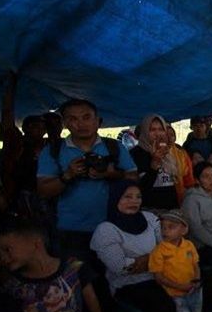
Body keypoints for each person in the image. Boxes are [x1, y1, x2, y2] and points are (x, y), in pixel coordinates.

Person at [37, 98, 138, 262]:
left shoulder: (114, 147)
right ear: (65, 123)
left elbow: (134, 179)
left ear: (97, 121)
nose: (81, 124)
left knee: (112, 274)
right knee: (74, 276)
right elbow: (43, 190)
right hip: (68, 231)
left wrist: (110, 174)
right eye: (73, 119)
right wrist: (68, 175)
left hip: (112, 227)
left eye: (86, 117)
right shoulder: (53, 151)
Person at [90, 180, 175, 312]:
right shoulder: (106, 230)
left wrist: (144, 261)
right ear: (115, 199)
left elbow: (168, 248)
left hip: (156, 275)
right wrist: (155, 258)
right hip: (126, 285)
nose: (134, 201)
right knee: (161, 303)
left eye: (138, 197)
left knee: (189, 287)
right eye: (127, 197)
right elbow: (121, 267)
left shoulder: (149, 218)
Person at [148, 210, 206, 312]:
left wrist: (196, 280)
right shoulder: (159, 251)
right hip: (176, 296)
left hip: (194, 291)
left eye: (171, 227)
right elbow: (159, 277)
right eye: (163, 227)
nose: (165, 231)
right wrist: (180, 287)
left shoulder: (189, 245)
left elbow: (195, 265)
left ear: (184, 230)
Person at [130, 114, 182, 211]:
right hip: (148, 211)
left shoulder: (166, 152)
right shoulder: (136, 154)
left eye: (161, 129)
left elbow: (172, 185)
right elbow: (138, 188)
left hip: (170, 211)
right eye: (152, 130)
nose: (157, 134)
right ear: (145, 131)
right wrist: (154, 164)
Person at [166, 126, 196, 204]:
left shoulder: (182, 154)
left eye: (172, 135)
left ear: (175, 138)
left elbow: (189, 179)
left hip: (180, 195)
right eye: (166, 135)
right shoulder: (153, 153)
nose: (169, 138)